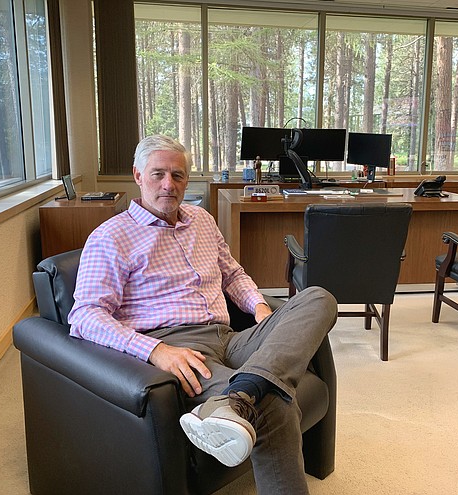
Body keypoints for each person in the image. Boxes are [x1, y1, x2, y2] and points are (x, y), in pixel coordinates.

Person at [68, 134, 338, 494]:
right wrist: (155, 351)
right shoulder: (111, 237)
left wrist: (260, 310)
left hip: (229, 336)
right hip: (181, 349)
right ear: (137, 175)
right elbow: (84, 315)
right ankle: (255, 392)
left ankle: (242, 391)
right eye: (158, 174)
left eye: (178, 176)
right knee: (272, 404)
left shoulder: (202, 220)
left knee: (319, 297)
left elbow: (233, 274)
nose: (169, 185)